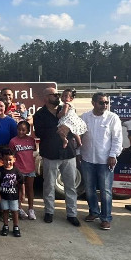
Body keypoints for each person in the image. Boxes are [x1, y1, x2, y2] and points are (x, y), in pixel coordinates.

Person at [34, 87, 80, 226]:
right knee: (48, 185)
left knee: (70, 186)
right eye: (54, 95)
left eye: (57, 94)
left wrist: (70, 129)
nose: (57, 97)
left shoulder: (67, 110)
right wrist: (59, 130)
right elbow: (40, 133)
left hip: (68, 154)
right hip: (50, 154)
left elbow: (76, 126)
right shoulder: (40, 115)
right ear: (46, 97)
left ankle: (72, 214)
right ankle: (49, 212)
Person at [80, 92, 123, 230]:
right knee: (89, 189)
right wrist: (77, 153)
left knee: (105, 191)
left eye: (106, 103)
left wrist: (113, 155)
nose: (104, 105)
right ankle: (94, 212)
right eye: (101, 102)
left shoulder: (112, 118)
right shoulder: (85, 117)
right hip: (87, 159)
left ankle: (106, 218)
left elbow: (117, 139)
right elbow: (78, 135)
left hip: (105, 161)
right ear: (93, 103)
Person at [9, 121, 37, 220]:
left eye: (23, 130)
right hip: (19, 169)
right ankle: (19, 208)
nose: (21, 132)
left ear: (28, 131)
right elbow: (11, 155)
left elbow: (34, 153)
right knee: (19, 190)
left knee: (30, 189)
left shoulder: (31, 140)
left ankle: (31, 209)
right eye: (19, 129)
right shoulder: (13, 141)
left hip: (30, 169)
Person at [0, 148, 22, 237]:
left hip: (14, 196)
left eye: (10, 160)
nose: (8, 162)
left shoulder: (16, 171)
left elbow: (21, 183)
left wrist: (23, 194)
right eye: (6, 160)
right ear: (2, 160)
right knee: (5, 211)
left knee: (14, 211)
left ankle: (16, 227)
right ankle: (5, 226)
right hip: (3, 196)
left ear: (14, 160)